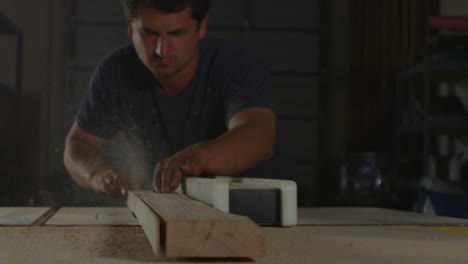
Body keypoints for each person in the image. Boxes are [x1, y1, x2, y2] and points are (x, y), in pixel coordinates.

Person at [64, 0, 293, 199]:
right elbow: (78, 146)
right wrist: (97, 175)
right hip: (175, 215)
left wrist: (197, 156)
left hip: (258, 213)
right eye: (149, 34)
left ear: (201, 26)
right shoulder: (114, 72)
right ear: (129, 27)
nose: (161, 50)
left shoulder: (237, 64)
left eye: (176, 34)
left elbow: (259, 137)